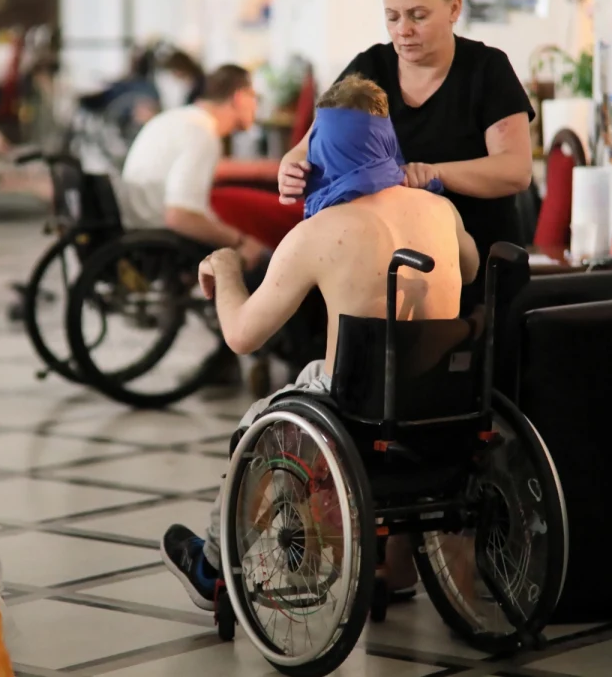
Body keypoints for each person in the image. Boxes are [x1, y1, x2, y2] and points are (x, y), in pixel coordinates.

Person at [160, 75, 479, 610]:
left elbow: (242, 335)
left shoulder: (319, 232)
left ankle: (213, 567)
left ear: (322, 150)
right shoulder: (439, 211)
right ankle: (393, 562)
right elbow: (469, 269)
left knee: (263, 417)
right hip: (443, 405)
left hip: (354, 414)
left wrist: (228, 268)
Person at [278, 0, 533, 311]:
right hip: (384, 265)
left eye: (418, 16)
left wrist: (434, 173)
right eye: (392, 17)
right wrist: (292, 167)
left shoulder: (487, 70)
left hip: (481, 269)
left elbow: (515, 170)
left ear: (454, 9)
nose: (403, 30)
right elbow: (307, 146)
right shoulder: (369, 67)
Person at [118, 64, 269, 269]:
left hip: (138, 230)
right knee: (267, 259)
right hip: (160, 243)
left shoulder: (177, 118)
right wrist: (241, 241)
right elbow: (180, 217)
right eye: (255, 98)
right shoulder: (201, 133)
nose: (256, 107)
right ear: (240, 97)